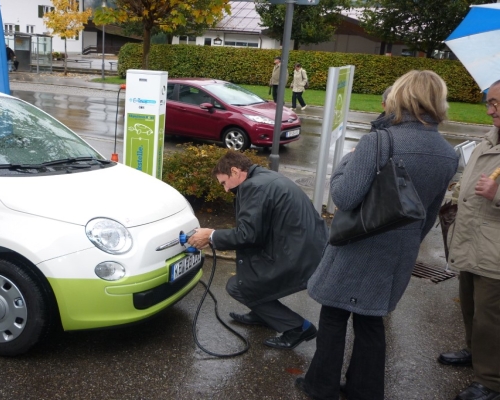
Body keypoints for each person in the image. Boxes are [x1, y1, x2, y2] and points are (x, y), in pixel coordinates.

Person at [296, 70, 459, 399]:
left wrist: (348, 160)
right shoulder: (447, 153)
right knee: (371, 323)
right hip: (398, 253)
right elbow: (427, 213)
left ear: (401, 95)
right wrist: (408, 241)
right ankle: (364, 391)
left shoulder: (380, 141)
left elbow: (343, 196)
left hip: (357, 246)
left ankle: (320, 387)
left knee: (334, 314)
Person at [188, 151, 328, 350]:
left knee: (238, 286)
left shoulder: (253, 187)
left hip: (297, 255)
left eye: (224, 182)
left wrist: (211, 236)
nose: (226, 190)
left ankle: (298, 327)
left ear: (235, 171)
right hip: (306, 248)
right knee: (251, 273)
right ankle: (263, 314)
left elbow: (248, 235)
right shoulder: (264, 178)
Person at [438, 79, 500, 400]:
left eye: (497, 104)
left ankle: (491, 381)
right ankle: (475, 354)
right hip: (473, 241)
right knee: (472, 307)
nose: (490, 110)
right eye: (489, 103)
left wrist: (498, 194)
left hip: (495, 252)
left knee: (492, 319)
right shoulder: (490, 140)